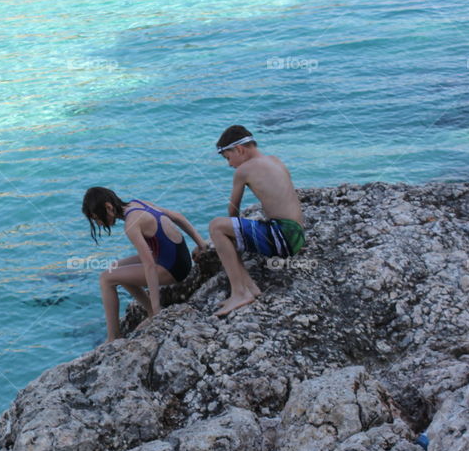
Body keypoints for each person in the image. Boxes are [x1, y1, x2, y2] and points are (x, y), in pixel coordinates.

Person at [82, 187, 208, 342]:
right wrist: (202, 244)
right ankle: (149, 311)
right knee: (114, 268)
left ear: (108, 207)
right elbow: (178, 217)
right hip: (178, 258)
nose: (99, 224)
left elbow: (149, 265)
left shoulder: (131, 224)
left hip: (172, 268)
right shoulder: (138, 203)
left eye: (97, 218)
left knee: (105, 279)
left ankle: (114, 336)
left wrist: (157, 311)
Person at [208, 125, 306, 317]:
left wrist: (223, 239)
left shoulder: (243, 171)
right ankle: (250, 287)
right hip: (297, 236)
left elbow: (232, 210)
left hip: (282, 237)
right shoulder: (274, 160)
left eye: (228, 158)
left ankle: (240, 292)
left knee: (217, 227)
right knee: (228, 231)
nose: (230, 164)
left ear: (239, 150)